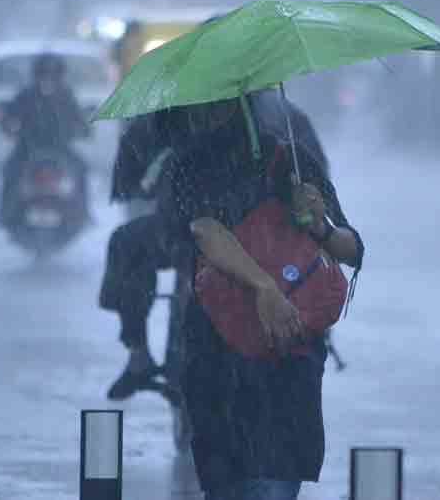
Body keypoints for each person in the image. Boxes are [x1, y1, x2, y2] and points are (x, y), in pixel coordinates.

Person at [158, 94, 363, 500]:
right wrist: (265, 288)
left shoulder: (291, 159)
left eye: (218, 103)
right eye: (202, 105)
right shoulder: (188, 164)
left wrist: (319, 224)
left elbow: (352, 249)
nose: (207, 113)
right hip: (218, 362)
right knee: (233, 486)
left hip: (288, 361)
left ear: (242, 101)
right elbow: (206, 232)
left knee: (274, 484)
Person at [101, 92, 331, 401]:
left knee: (127, 243)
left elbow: (132, 176)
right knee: (127, 243)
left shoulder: (173, 115)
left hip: (195, 235)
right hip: (219, 237)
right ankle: (138, 353)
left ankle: (137, 353)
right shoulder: (284, 117)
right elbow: (319, 182)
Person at [0, 52, 90, 225]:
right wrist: (8, 125)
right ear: (36, 75)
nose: (48, 79)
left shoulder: (66, 96)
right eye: (44, 74)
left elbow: (79, 120)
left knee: (81, 169)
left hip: (60, 150)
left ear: (60, 76)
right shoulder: (25, 95)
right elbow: (9, 116)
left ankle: (83, 212)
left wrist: (84, 129)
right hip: (27, 149)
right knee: (10, 170)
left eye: (53, 75)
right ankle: (4, 211)